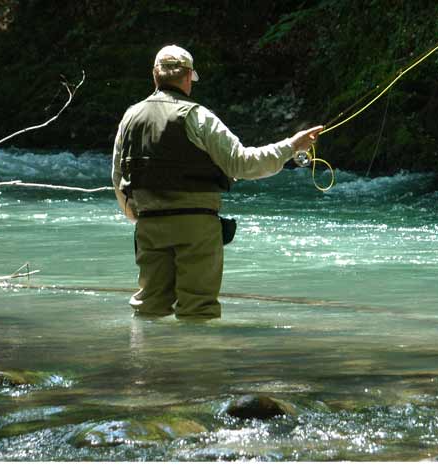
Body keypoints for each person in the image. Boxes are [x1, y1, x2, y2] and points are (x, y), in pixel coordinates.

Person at [112, 45, 323, 319]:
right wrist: (291, 146)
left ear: (155, 76)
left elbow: (118, 177)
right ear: (188, 78)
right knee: (197, 311)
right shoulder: (197, 116)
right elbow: (242, 163)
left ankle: (145, 359)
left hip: (149, 224)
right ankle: (198, 360)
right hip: (196, 226)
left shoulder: (130, 117)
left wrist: (136, 217)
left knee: (148, 309)